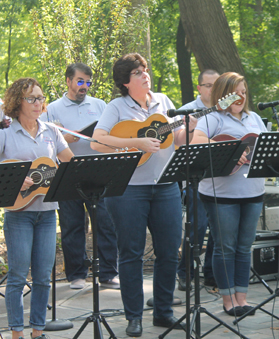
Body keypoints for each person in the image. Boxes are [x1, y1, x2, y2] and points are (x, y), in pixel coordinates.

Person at [91, 53, 196, 337]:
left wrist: (189, 127)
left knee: (169, 252)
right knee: (131, 253)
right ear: (126, 82)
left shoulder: (164, 102)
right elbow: (98, 140)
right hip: (127, 190)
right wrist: (136, 141)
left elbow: (176, 140)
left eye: (145, 70)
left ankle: (163, 312)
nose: (145, 75)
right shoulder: (117, 106)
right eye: (138, 72)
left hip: (165, 186)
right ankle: (134, 316)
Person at [1, 78, 74, 339]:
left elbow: (70, 164)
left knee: (43, 276)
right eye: (31, 98)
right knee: (18, 275)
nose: (38, 103)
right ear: (16, 102)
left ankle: (38, 331)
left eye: (40, 98)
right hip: (18, 214)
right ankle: (17, 333)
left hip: (46, 213)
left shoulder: (51, 132)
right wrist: (14, 177)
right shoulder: (5, 135)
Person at [192, 72, 267, 317]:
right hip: (221, 194)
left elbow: (265, 147)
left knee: (245, 248)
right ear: (224, 94)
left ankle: (242, 299)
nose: (241, 97)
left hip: (253, 192)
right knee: (225, 248)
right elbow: (197, 142)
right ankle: (228, 299)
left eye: (244, 92)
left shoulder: (254, 118)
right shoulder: (212, 117)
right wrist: (232, 150)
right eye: (236, 92)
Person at [43, 63, 119, 290]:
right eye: (80, 81)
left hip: (99, 170)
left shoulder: (100, 105)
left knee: (106, 222)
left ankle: (108, 273)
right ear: (68, 80)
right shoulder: (53, 108)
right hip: (68, 171)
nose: (84, 86)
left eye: (88, 82)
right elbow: (46, 140)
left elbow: (111, 133)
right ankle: (76, 274)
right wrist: (64, 139)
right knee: (72, 224)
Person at [177, 69, 219, 291]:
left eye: (216, 84)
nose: (212, 89)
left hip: (222, 179)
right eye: (208, 85)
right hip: (195, 178)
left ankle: (211, 273)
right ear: (199, 88)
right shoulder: (185, 111)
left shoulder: (225, 109)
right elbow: (178, 143)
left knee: (218, 228)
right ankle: (185, 272)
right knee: (197, 227)